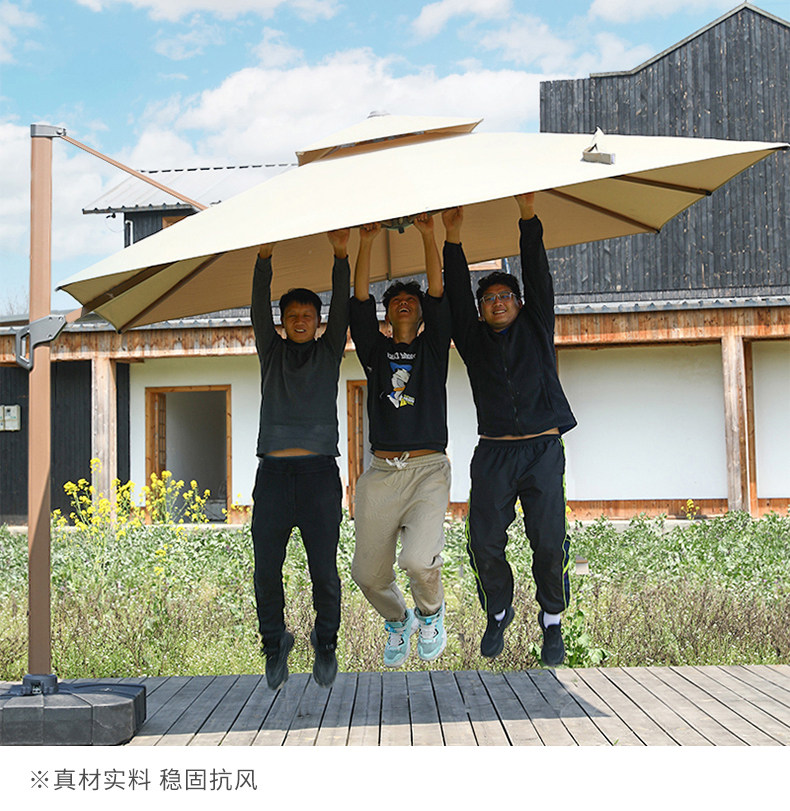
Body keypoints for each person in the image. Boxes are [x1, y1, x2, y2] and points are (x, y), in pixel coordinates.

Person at [442, 194, 577, 667]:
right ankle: (498, 611)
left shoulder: (537, 325)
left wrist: (528, 215)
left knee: (548, 540)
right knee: (483, 540)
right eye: (489, 299)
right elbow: (455, 294)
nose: (497, 303)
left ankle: (552, 622)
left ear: (518, 304)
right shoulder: (472, 340)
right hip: (494, 453)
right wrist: (452, 238)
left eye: (504, 297)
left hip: (542, 450)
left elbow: (538, 273)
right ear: (481, 310)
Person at [349, 213, 452, 668]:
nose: (405, 304)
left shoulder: (432, 349)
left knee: (418, 561)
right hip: (381, 474)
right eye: (396, 302)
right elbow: (358, 301)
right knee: (367, 575)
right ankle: (398, 619)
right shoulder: (376, 351)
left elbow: (438, 292)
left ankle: (430, 613)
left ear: (422, 312)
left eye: (412, 300)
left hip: (428, 471)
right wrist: (366, 241)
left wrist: (430, 234)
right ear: (387, 315)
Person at [250, 229, 350, 690]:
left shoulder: (329, 352)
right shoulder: (271, 352)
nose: (300, 321)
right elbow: (257, 307)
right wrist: (264, 258)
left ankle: (325, 642)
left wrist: (340, 255)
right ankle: (275, 644)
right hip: (273, 476)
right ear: (283, 322)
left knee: (323, 570)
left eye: (307, 315)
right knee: (266, 569)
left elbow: (343, 305)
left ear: (318, 320)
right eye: (292, 316)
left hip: (318, 476)